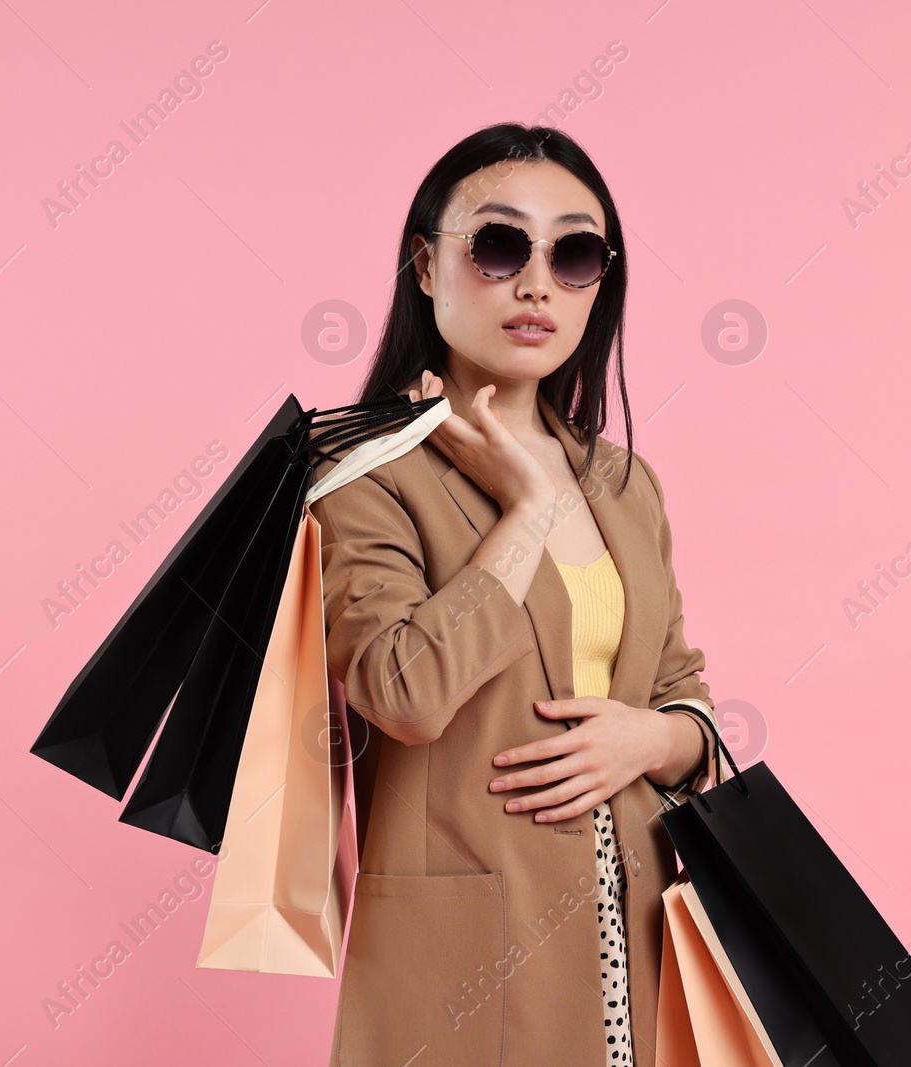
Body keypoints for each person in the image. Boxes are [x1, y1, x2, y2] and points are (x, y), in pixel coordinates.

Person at [308, 122, 728, 1067]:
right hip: (470, 958)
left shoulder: (624, 482)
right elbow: (402, 692)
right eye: (499, 246)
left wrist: (657, 736)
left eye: (574, 253)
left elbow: (684, 685)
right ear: (426, 266)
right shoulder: (361, 473)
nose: (537, 282)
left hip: (641, 929)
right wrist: (528, 506)